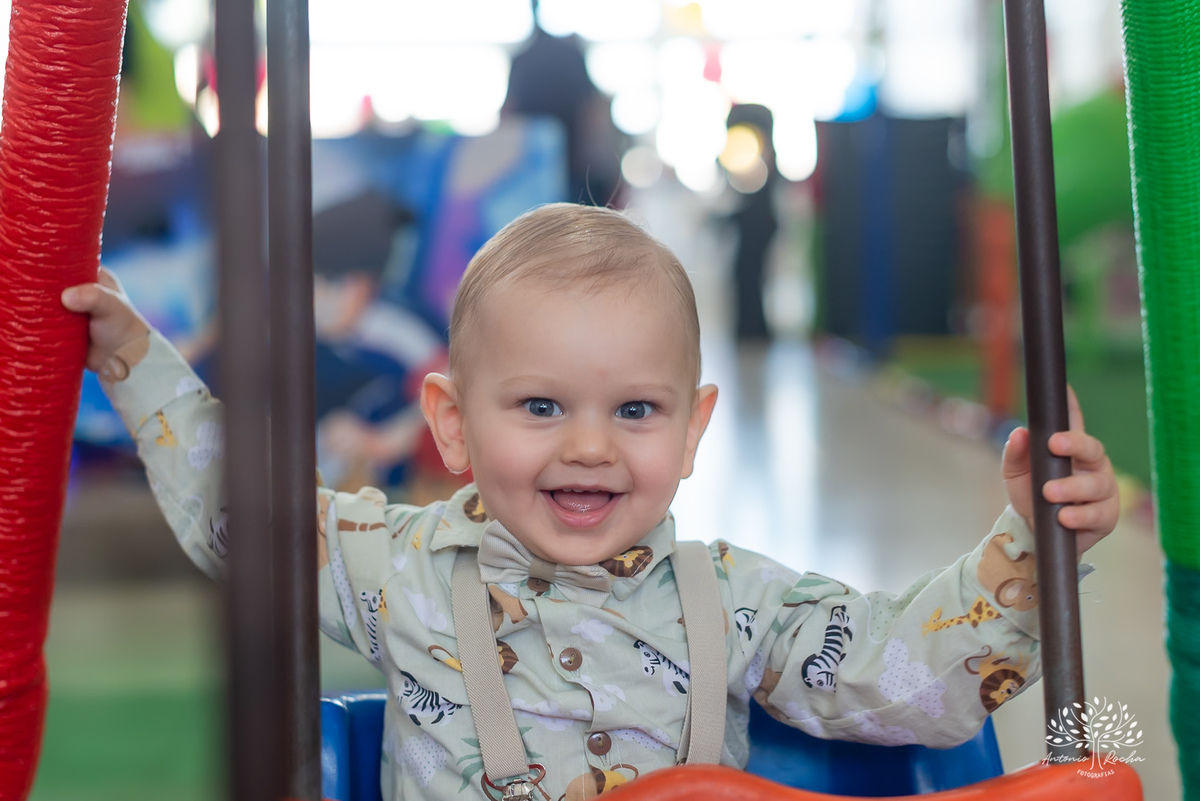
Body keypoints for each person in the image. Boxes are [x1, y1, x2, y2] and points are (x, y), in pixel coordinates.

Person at [62, 203, 1119, 801]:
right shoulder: (392, 567)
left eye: (636, 410)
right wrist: (139, 365)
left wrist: (1033, 538)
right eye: (539, 404)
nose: (588, 446)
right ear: (452, 422)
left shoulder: (738, 602)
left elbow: (908, 685)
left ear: (694, 428)